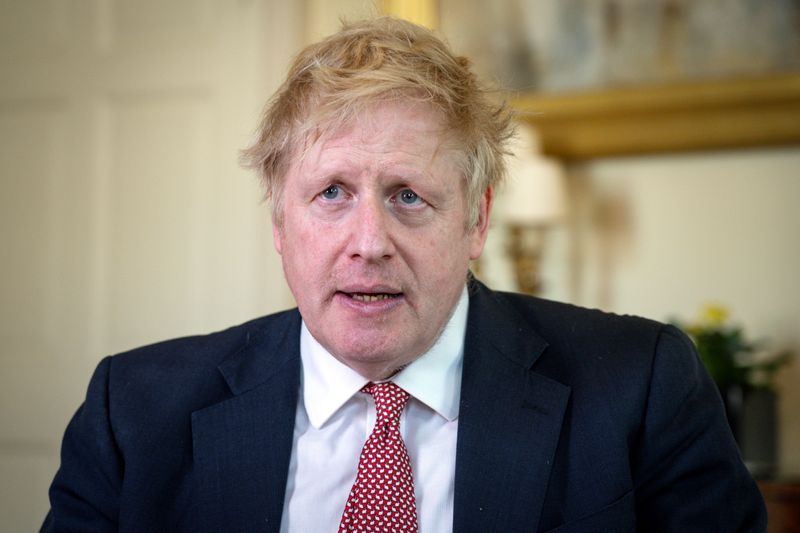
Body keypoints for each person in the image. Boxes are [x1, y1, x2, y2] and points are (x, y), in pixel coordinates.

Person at [42, 17, 766, 533]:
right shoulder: (132, 413)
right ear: (278, 220)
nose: (369, 243)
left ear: (476, 220)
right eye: (331, 193)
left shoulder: (642, 385)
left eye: (408, 196)